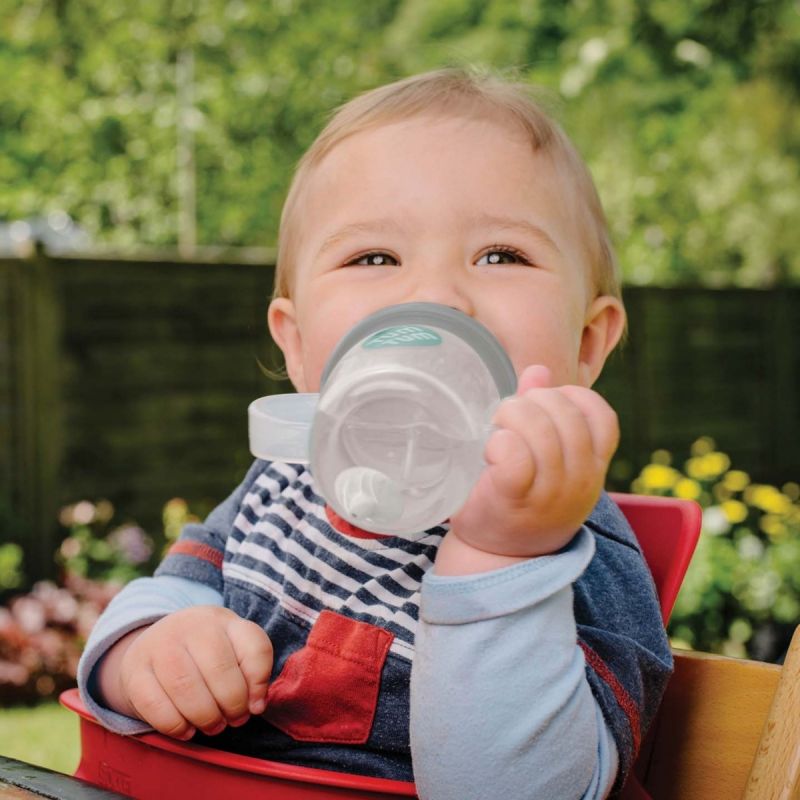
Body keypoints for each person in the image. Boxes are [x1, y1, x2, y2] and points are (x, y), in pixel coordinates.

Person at [77, 67, 671, 799]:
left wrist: (500, 556)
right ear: (296, 348)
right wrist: (149, 653)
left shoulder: (574, 549)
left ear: (587, 344)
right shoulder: (282, 484)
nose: (433, 298)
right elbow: (169, 594)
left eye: (500, 255)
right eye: (374, 257)